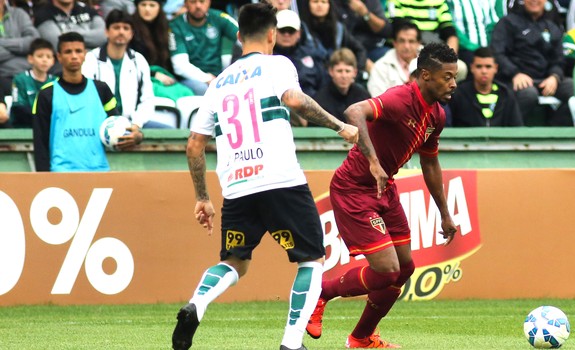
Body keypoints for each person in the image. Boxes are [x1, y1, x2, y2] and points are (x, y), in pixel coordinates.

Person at [171, 3, 358, 350]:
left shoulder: (218, 84)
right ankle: (291, 343)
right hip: (280, 179)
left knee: (233, 263)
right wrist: (339, 125)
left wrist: (202, 197)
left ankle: (197, 302)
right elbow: (295, 100)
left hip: (237, 185)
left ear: (239, 37)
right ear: (272, 34)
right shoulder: (278, 64)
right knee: (311, 260)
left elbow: (195, 145)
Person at [305, 42, 459, 348]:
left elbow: (430, 162)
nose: (453, 83)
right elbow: (354, 111)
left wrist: (443, 212)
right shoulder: (401, 98)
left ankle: (361, 337)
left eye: (454, 76)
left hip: (384, 189)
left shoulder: (437, 115)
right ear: (425, 75)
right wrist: (373, 161)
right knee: (387, 270)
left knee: (405, 269)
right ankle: (321, 291)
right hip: (354, 188)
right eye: (447, 76)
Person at [33, 32, 143, 172]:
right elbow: (40, 143)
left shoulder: (101, 90)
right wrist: (44, 180)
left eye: (78, 51)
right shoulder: (46, 94)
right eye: (68, 52)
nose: (74, 56)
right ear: (59, 57)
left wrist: (138, 136)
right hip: (61, 173)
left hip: (99, 172)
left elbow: (119, 128)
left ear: (85, 54)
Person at [81, 10, 170, 129]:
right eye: (116, 27)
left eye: (126, 28)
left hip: (132, 122)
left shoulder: (138, 60)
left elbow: (147, 100)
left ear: (132, 33)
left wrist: (136, 124)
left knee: (168, 131)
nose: (121, 32)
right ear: (106, 31)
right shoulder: (91, 59)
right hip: (100, 123)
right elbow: (86, 97)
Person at [491, 0, 574, 126]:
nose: (534, 1)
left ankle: (555, 130)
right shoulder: (507, 22)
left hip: (545, 80)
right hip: (517, 80)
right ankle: (511, 133)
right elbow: (497, 54)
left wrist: (554, 76)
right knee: (529, 94)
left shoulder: (552, 27)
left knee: (573, 87)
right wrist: (515, 73)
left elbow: (559, 60)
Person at [169, 0, 239, 95]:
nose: (198, 6)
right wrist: (206, 78)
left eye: (202, 1)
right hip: (191, 79)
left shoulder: (218, 17)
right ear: (185, 4)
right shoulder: (175, 26)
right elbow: (180, 66)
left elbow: (247, 38)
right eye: (193, 2)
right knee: (204, 90)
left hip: (219, 75)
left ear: (209, 2)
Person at [129, 0, 195, 101]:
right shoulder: (130, 29)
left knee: (189, 94)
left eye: (152, 5)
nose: (147, 9)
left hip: (168, 76)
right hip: (143, 79)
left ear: (159, 7)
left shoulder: (167, 27)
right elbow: (130, 64)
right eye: (143, 5)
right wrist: (154, 74)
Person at [448, 47, 523, 127]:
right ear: (472, 68)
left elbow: (517, 127)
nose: (484, 71)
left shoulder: (506, 94)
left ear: (496, 68)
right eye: (479, 66)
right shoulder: (458, 94)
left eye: (488, 66)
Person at [299, 0, 368, 75]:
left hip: (334, 78)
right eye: (315, 2)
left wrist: (355, 72)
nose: (319, 5)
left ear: (330, 5)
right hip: (310, 76)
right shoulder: (300, 29)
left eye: (323, 2)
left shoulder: (339, 29)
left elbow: (359, 50)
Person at [313, 48, 370, 123]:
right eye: (339, 71)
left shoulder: (363, 96)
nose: (344, 76)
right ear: (331, 71)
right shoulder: (319, 100)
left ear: (355, 72)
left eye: (347, 71)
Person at [367, 19, 420, 97]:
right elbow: (379, 101)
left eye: (411, 41)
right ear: (394, 43)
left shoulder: (431, 62)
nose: (406, 46)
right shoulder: (380, 67)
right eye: (402, 41)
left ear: (418, 43)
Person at [10, 38, 56, 129]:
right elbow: (18, 108)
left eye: (48, 57)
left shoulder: (56, 82)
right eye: (40, 56)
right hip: (24, 128)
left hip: (50, 128)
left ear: (53, 61)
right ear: (30, 59)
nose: (44, 60)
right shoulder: (20, 79)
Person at [448, 0, 505, 70]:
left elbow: (494, 23)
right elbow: (450, 26)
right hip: (464, 48)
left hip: (489, 48)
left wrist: (490, 47)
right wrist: (471, 46)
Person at [387, 0, 459, 53]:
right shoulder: (395, 1)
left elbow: (449, 30)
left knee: (460, 67)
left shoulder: (439, 2)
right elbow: (397, 26)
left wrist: (451, 55)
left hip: (432, 46)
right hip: (405, 46)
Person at [0, 0, 39, 97]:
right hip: (4, 76)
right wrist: (19, 49)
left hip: (31, 71)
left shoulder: (19, 13)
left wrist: (2, 42)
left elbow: (34, 42)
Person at [34, 0, 107, 51]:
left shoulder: (86, 8)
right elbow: (57, 44)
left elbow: (104, 35)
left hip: (95, 59)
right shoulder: (43, 13)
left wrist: (67, 33)